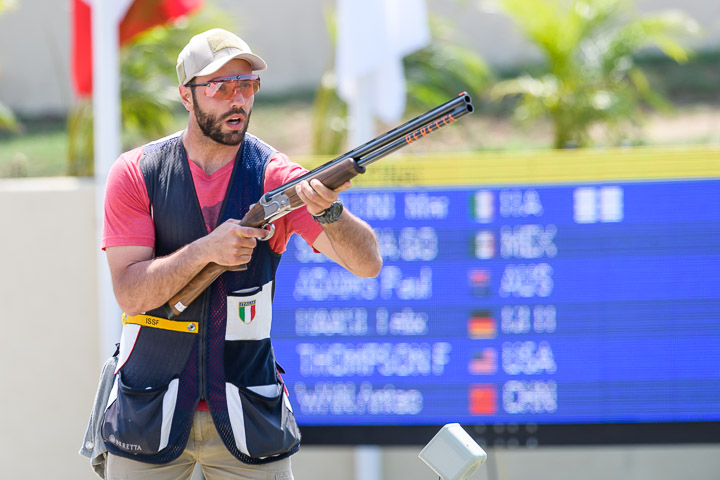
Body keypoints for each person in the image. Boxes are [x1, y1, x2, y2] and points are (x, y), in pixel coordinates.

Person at [99, 28, 382, 480]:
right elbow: (131, 293)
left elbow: (367, 265)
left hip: (247, 412)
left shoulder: (277, 176)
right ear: (186, 96)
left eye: (246, 85)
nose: (237, 99)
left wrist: (329, 210)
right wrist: (204, 251)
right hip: (148, 410)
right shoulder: (138, 173)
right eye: (220, 87)